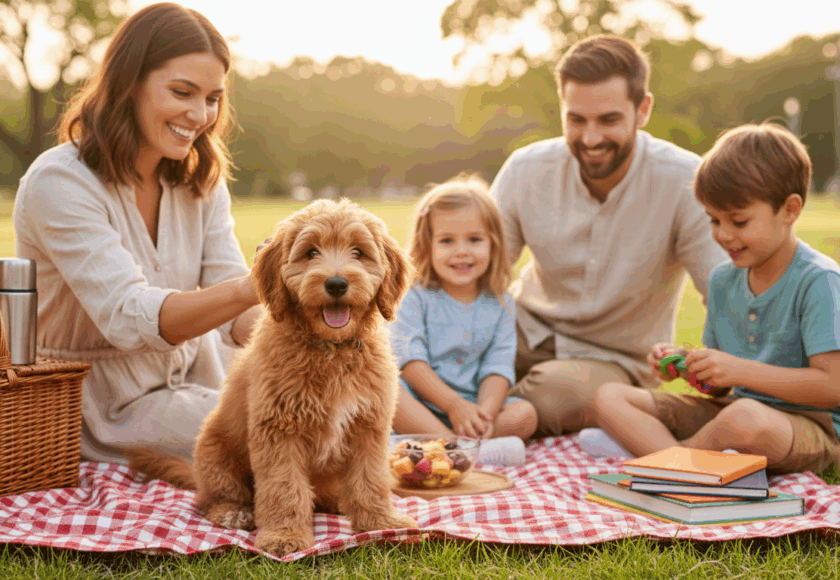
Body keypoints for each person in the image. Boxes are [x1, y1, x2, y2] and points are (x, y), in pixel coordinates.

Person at [12, 3, 264, 463]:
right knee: (284, 434)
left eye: (212, 98)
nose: (200, 114)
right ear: (129, 84)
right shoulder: (60, 182)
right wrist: (252, 288)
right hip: (103, 406)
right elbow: (129, 317)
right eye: (182, 92)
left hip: (200, 377)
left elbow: (235, 315)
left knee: (327, 408)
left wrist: (300, 319)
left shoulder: (200, 181)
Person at [490, 34, 727, 437]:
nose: (591, 138)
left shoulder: (686, 181)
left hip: (614, 359)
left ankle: (461, 422)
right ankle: (459, 415)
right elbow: (478, 275)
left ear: (643, 110)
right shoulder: (525, 170)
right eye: (576, 119)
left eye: (609, 120)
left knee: (553, 395)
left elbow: (724, 292)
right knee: (432, 354)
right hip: (522, 330)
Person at [594, 123, 840, 473]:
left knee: (744, 418)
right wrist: (691, 364)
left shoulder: (819, 280)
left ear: (789, 210)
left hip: (809, 429)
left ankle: (668, 465)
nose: (723, 235)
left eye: (739, 221)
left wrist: (740, 370)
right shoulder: (723, 280)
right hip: (733, 412)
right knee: (611, 397)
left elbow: (833, 386)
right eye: (713, 220)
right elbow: (717, 389)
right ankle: (691, 464)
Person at [389, 175, 538, 441]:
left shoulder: (501, 303)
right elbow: (409, 360)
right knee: (386, 391)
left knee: (525, 415)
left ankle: (453, 443)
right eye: (447, 241)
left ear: (493, 244)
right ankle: (454, 447)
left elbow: (498, 366)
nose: (461, 251)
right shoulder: (414, 296)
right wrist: (452, 405)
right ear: (428, 245)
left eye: (474, 240)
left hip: (471, 409)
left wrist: (484, 416)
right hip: (419, 405)